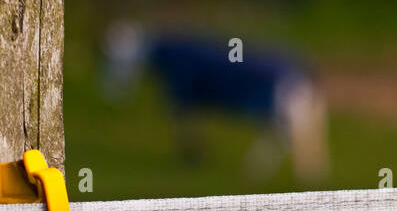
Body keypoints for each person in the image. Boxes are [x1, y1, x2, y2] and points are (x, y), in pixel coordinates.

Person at [102, 22, 329, 182]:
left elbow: (181, 100)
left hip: (278, 84)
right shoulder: (179, 53)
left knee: (295, 134)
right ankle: (298, 179)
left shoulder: (178, 56)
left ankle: (305, 180)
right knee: (292, 132)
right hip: (281, 80)